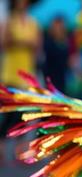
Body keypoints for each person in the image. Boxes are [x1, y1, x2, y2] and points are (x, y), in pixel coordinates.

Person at [0, 0, 40, 163]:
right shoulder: (9, 22)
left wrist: (22, 43)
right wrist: (21, 42)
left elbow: (36, 46)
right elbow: (4, 43)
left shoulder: (32, 23)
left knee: (24, 114)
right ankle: (1, 147)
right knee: (8, 113)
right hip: (10, 74)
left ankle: (20, 150)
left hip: (27, 74)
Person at [43, 16, 69, 93]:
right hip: (50, 76)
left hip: (62, 77)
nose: (59, 28)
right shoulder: (48, 42)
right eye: (57, 26)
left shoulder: (66, 42)